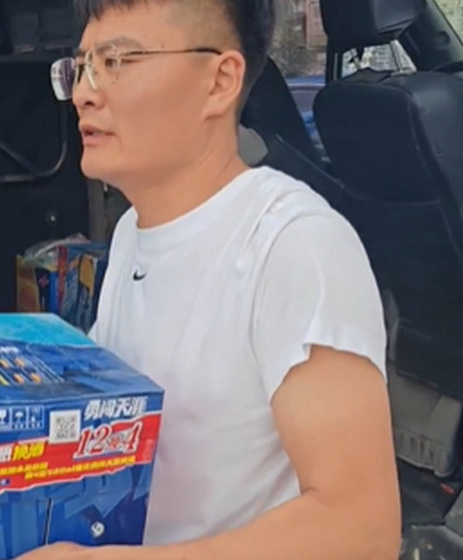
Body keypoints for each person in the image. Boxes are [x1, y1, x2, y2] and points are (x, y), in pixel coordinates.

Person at [21, 0, 401, 559]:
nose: (84, 93)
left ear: (219, 82)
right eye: (81, 67)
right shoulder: (131, 233)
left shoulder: (292, 245)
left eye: (117, 61)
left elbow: (360, 530)